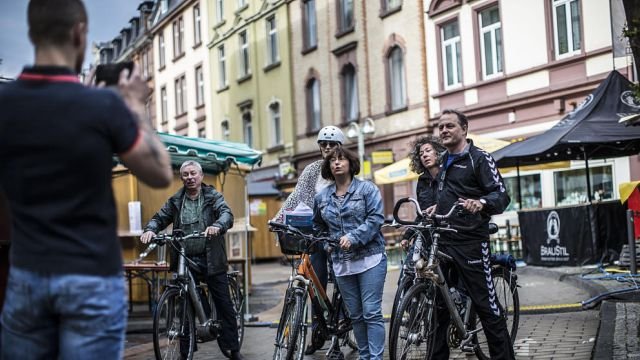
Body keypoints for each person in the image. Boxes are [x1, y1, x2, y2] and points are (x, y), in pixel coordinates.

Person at [0, 1, 173, 358]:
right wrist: (136, 108)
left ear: (32, 34)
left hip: (27, 273)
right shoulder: (102, 107)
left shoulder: (6, 103)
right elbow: (159, 172)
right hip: (92, 275)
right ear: (79, 33)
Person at [427, 109, 514, 359]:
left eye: (449, 126)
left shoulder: (479, 158)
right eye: (441, 126)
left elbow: (501, 195)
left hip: (471, 242)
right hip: (443, 241)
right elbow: (449, 195)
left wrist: (482, 203)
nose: (443, 130)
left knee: (486, 306)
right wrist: (437, 207)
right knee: (439, 307)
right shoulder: (442, 161)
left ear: (464, 129)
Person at [140, 160, 244, 360]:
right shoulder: (176, 200)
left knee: (223, 303)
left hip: (211, 257)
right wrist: (150, 230)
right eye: (185, 174)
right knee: (184, 302)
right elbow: (159, 218)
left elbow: (226, 214)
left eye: (193, 173)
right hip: (184, 257)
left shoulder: (213, 196)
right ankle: (185, 351)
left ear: (201, 175)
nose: (190, 177)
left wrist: (217, 226)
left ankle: (233, 348)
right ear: (181, 178)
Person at [272, 125, 345, 354]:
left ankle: (341, 325)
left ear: (340, 146)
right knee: (316, 280)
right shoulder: (312, 170)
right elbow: (296, 197)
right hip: (316, 234)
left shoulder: (345, 167)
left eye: (331, 144)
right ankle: (318, 331)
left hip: (340, 234)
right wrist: (278, 218)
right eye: (323, 143)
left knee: (343, 280)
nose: (327, 147)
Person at [312, 147, 387, 360]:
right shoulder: (322, 197)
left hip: (370, 258)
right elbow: (318, 226)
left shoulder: (367, 190)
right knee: (355, 315)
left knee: (371, 312)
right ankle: (365, 356)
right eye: (332, 161)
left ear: (350, 164)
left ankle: (375, 358)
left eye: (341, 159)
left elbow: (375, 220)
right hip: (341, 263)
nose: (336, 163)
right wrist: (328, 246)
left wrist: (353, 237)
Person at [400, 136, 446, 253]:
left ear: (438, 153)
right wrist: (407, 236)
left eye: (428, 151)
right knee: (410, 267)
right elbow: (421, 214)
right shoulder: (422, 181)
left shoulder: (448, 174)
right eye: (421, 154)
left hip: (447, 234)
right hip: (427, 235)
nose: (424, 155)